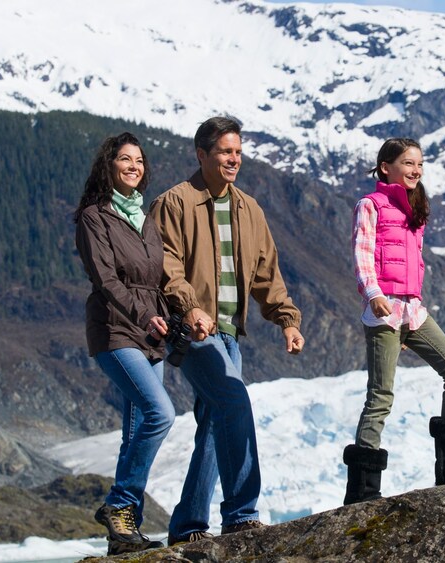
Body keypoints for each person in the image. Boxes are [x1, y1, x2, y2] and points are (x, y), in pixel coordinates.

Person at [149, 116, 305, 545]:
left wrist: (286, 320)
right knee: (234, 403)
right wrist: (191, 308)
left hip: (231, 334)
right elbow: (167, 266)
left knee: (218, 424)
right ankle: (240, 514)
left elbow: (266, 275)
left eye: (238, 151)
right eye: (225, 151)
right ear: (202, 155)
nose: (234, 159)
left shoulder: (248, 209)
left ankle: (187, 527)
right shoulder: (175, 203)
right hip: (194, 332)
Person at [343, 137, 445, 505]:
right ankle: (362, 491)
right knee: (381, 396)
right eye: (408, 163)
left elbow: (415, 263)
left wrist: (415, 306)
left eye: (419, 164)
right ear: (385, 168)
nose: (415, 170)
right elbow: (362, 253)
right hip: (384, 312)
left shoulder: (415, 207)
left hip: (413, 311)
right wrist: (373, 294)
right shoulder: (370, 205)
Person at [74, 132, 174, 555]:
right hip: (115, 328)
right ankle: (119, 503)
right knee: (160, 413)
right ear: (109, 165)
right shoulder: (94, 217)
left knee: (134, 429)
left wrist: (173, 315)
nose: (134, 166)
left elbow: (158, 276)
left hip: (151, 331)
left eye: (139, 160)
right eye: (125, 159)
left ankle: (122, 533)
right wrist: (143, 314)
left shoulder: (145, 217)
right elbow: (106, 278)